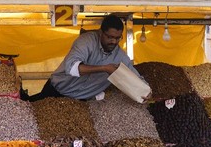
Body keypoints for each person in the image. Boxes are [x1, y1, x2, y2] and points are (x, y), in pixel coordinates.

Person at [21, 14, 150, 102]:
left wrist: (145, 90)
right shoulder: (86, 42)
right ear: (100, 32)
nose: (113, 41)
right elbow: (72, 68)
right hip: (56, 92)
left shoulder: (120, 56)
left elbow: (135, 77)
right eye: (109, 37)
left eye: (117, 38)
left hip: (80, 102)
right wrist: (105, 68)